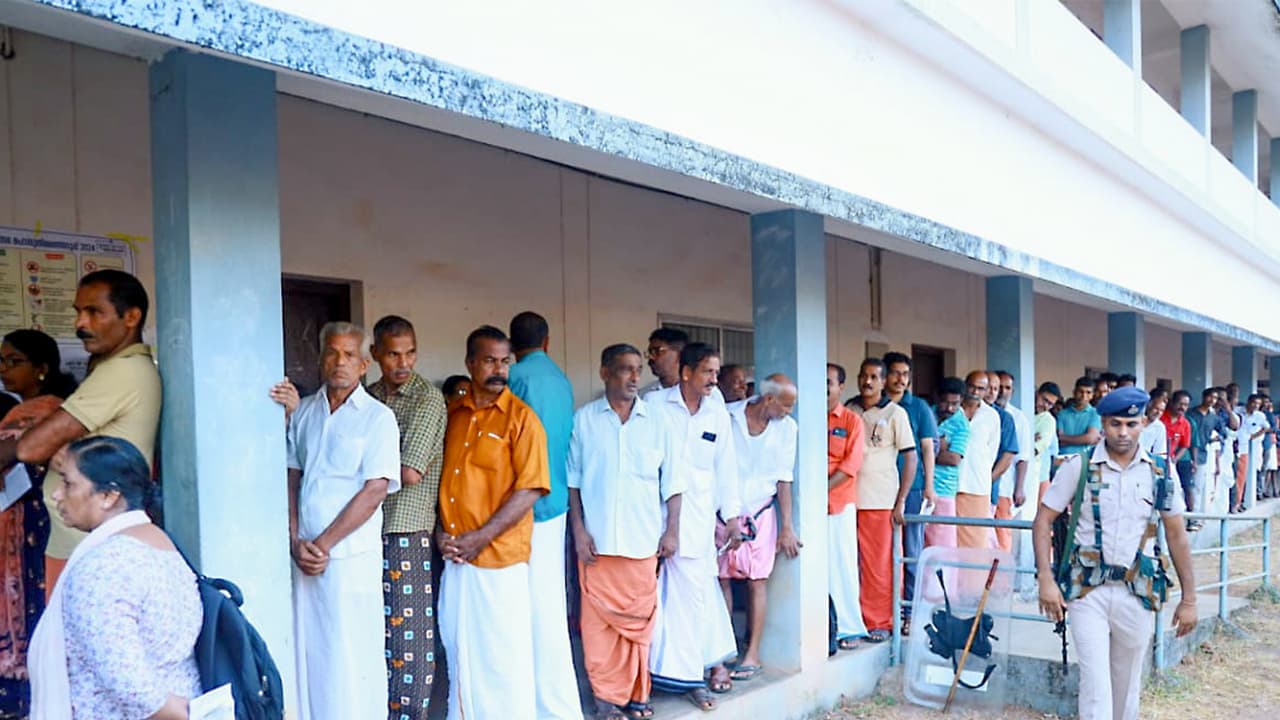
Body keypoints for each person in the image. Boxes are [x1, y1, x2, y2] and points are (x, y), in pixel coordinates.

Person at [1035, 387, 1197, 720]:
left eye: (1131, 424)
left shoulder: (1160, 473)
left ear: (1143, 423)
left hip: (1137, 591)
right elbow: (1043, 519)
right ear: (1103, 423)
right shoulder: (1078, 466)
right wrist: (1045, 579)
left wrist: (1190, 598)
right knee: (1095, 684)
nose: (1123, 433)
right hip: (1087, 590)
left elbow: (1177, 535)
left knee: (1127, 685)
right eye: (1115, 424)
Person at [1, 270, 160, 598]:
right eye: (78, 311)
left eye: (95, 312)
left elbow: (31, 448)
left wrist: (49, 442)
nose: (80, 324)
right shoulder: (117, 368)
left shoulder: (122, 371)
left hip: (88, 540)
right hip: (80, 533)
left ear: (131, 317)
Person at [30, 436, 200, 720]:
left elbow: (130, 684)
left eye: (68, 483)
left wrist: (182, 715)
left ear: (109, 496)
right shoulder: (161, 543)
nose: (57, 494)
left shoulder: (105, 565)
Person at [285, 322, 401, 720]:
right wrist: (295, 538)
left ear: (365, 364)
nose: (340, 362)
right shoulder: (305, 411)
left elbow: (374, 490)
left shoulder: (378, 418)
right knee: (308, 651)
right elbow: (291, 477)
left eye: (350, 355)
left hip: (349, 557)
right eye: (332, 353)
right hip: (303, 557)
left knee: (350, 654)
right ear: (320, 359)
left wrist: (324, 544)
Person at [436, 326, 550, 720]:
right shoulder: (453, 414)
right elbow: (441, 480)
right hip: (456, 559)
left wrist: (480, 538)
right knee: (459, 653)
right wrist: (440, 532)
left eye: (505, 361)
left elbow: (531, 489)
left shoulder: (522, 420)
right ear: (470, 363)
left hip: (499, 560)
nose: (499, 369)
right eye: (489, 360)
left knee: (504, 662)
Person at [567, 344, 682, 720]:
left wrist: (672, 533)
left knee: (639, 625)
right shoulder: (584, 420)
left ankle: (637, 693)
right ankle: (605, 699)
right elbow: (574, 483)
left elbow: (674, 484)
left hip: (642, 540)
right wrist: (579, 532)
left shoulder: (658, 422)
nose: (634, 377)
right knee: (598, 628)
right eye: (624, 370)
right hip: (597, 546)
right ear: (604, 372)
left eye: (637, 370)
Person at [648, 343, 741, 711]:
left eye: (716, 373)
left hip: (699, 520)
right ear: (686, 372)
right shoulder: (655, 407)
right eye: (707, 372)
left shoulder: (717, 415)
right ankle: (654, 674)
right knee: (655, 599)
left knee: (694, 598)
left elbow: (726, 468)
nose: (714, 380)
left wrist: (731, 517)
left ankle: (691, 677)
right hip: (653, 520)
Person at [364, 316, 446, 719]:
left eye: (410, 352)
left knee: (408, 637)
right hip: (365, 524)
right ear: (376, 354)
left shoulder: (426, 398)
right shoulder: (369, 394)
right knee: (376, 629)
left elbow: (411, 470)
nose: (403, 362)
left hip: (405, 526)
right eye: (393, 353)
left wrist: (365, 467)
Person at [506, 311, 582, 720]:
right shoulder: (561, 380)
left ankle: (534, 703)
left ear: (512, 345)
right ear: (547, 341)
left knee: (522, 607)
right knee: (549, 604)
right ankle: (556, 703)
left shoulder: (516, 378)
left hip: (522, 506)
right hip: (556, 504)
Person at [0, 330, 78, 717]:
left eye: (15, 361)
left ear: (42, 369)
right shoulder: (61, 409)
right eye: (2, 361)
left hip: (27, 523)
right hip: (42, 521)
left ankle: (24, 697)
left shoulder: (37, 411)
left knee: (29, 604)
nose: (4, 369)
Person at [716, 374, 799, 681]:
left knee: (757, 581)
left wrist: (787, 527)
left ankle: (752, 653)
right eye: (787, 405)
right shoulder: (728, 416)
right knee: (721, 580)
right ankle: (722, 654)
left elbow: (784, 479)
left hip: (762, 511)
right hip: (725, 512)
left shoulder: (787, 429)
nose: (789, 412)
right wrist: (729, 515)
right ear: (768, 399)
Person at [846, 358, 915, 643]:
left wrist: (901, 502)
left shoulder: (895, 414)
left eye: (875, 377)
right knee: (851, 564)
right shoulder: (849, 410)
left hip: (880, 500)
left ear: (884, 381)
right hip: (847, 499)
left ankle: (881, 621)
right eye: (864, 376)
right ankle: (854, 620)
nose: (868, 382)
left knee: (879, 565)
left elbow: (910, 457)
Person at [882, 352, 937, 632]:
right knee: (880, 553)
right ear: (884, 376)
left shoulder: (919, 408)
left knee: (912, 550)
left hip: (913, 488)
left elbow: (927, 448)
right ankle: (883, 612)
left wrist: (929, 485)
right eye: (895, 373)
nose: (901, 379)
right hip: (878, 490)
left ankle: (909, 613)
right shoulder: (873, 406)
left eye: (905, 374)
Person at [826, 363, 868, 652]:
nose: (823, 386)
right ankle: (822, 627)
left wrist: (819, 492)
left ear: (841, 387)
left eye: (829, 382)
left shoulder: (852, 421)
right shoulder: (804, 417)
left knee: (841, 567)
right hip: (806, 508)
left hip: (837, 504)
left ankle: (848, 628)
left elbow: (850, 466)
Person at [954, 372, 1000, 550]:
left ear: (986, 391)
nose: (974, 391)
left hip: (977, 486)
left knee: (976, 542)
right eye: (972, 386)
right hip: (950, 484)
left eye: (980, 388)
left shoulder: (992, 416)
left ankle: (975, 579)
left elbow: (991, 453)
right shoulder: (952, 410)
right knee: (950, 540)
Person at [929, 377, 970, 550]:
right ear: (937, 398)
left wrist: (927, 451)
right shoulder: (928, 413)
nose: (950, 408)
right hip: (921, 487)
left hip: (943, 490)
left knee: (942, 547)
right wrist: (939, 448)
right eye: (945, 403)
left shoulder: (962, 424)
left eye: (955, 403)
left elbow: (953, 459)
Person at [994, 371, 1031, 554]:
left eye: (1007, 388)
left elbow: (1022, 457)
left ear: (1012, 391)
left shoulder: (1018, 418)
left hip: (1004, 487)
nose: (1002, 391)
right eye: (998, 387)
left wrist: (1019, 487)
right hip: (980, 487)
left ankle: (1001, 580)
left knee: (1002, 535)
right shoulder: (983, 413)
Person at [1186, 389, 1226, 517]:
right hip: (1184, 454)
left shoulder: (1214, 418)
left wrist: (1214, 438)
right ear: (1204, 396)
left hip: (1202, 455)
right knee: (1184, 487)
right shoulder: (1190, 413)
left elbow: (1224, 432)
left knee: (1197, 487)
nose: (1212, 400)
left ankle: (1195, 517)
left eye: (1215, 398)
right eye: (1210, 397)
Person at [1161, 391, 1194, 524]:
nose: (1182, 407)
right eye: (1180, 403)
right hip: (1156, 460)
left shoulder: (1185, 424)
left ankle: (1190, 519)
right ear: (1172, 402)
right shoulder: (1161, 418)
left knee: (1182, 488)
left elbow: (1185, 445)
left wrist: (1175, 460)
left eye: (1185, 405)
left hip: (1171, 461)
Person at [1058, 377, 1102, 457]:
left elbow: (1090, 438)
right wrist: (1084, 439)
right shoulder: (1062, 414)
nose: (1084, 396)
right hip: (1062, 458)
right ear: (1074, 392)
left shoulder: (1095, 413)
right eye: (1080, 392)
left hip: (1085, 459)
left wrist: (1065, 438)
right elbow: (1059, 440)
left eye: (1088, 392)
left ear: (1092, 395)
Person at [1033, 382, 1062, 501]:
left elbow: (1035, 449)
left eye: (1050, 404)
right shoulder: (1023, 410)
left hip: (1040, 474)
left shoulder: (1048, 420)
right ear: (1037, 393)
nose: (1045, 406)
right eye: (1044, 400)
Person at [642, 328, 689, 395]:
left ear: (679, 354)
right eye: (650, 352)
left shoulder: (698, 393)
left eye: (657, 351)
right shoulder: (644, 395)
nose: (651, 357)